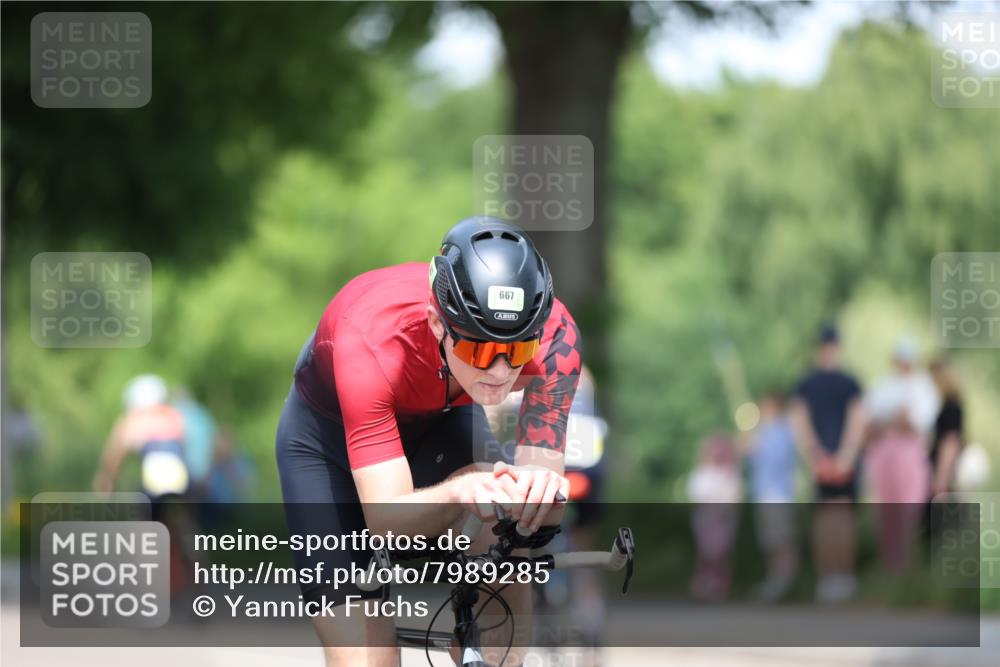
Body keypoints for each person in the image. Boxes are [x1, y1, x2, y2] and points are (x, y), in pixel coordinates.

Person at [276, 216, 582, 666]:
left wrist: (536, 497)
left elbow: (539, 508)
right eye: (480, 350)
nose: (500, 371)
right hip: (325, 440)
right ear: (439, 325)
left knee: (510, 529)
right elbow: (388, 524)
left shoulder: (555, 340)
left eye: (516, 351)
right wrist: (460, 490)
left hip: (444, 419)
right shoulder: (372, 339)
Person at [790, 323, 866, 603]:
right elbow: (857, 421)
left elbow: (800, 423)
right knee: (841, 518)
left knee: (826, 519)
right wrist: (845, 456)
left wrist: (815, 456)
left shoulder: (806, 384)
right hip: (838, 461)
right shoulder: (850, 382)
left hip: (823, 461)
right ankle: (841, 578)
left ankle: (829, 579)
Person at [864, 336, 940, 574]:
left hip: (909, 456)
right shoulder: (882, 386)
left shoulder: (923, 387)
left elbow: (917, 424)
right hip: (884, 455)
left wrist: (895, 421)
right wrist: (893, 420)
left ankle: (908, 569)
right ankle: (890, 568)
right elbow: (871, 424)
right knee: (886, 514)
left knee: (908, 511)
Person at [94, 374, 190, 502]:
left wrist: (107, 477)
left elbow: (115, 454)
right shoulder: (174, 415)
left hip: (154, 483)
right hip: (182, 481)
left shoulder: (134, 420)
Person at [742, 388, 799, 603]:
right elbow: (752, 463)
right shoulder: (761, 432)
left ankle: (786, 580)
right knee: (769, 540)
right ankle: (774, 579)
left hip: (778, 493)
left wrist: (758, 447)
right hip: (762, 492)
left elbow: (779, 459)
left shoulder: (782, 431)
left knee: (782, 538)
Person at [687, 432, 742, 602]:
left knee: (721, 555)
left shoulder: (730, 474)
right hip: (707, 521)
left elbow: (735, 498)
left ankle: (719, 587)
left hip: (723, 521)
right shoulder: (702, 473)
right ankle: (703, 585)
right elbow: (697, 497)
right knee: (707, 554)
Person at [928, 357, 965, 499]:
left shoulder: (951, 408)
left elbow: (950, 443)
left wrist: (941, 479)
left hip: (941, 472)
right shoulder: (944, 405)